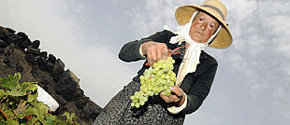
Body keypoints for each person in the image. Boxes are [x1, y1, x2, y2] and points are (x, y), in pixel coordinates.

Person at [94, 0, 232, 124]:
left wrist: (182, 100)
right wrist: (146, 47)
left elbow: (197, 98)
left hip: (166, 118)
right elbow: (124, 53)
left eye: (211, 26)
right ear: (192, 20)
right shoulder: (167, 37)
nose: (202, 27)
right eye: (201, 19)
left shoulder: (209, 64)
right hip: (132, 99)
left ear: (213, 34)